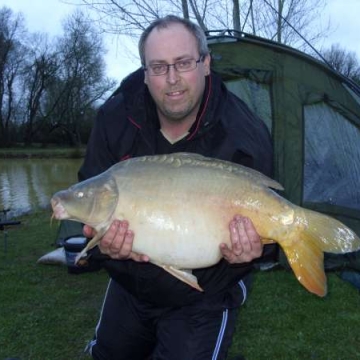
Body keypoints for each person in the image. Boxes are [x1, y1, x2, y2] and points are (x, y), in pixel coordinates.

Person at [80, 15, 274, 360]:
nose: (172, 80)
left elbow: (266, 236)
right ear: (145, 72)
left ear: (206, 64)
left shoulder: (246, 135)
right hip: (131, 281)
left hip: (207, 290)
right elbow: (89, 198)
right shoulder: (115, 116)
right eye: (158, 67)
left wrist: (250, 254)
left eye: (183, 63)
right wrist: (102, 247)